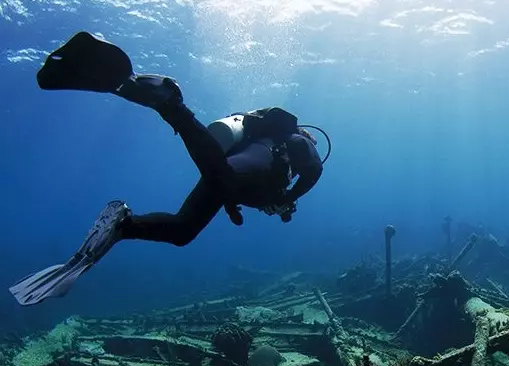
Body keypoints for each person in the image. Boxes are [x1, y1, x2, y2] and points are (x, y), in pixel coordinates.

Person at [9, 31, 328, 306]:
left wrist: (234, 205)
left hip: (226, 176)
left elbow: (239, 186)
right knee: (222, 177)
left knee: (182, 231)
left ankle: (124, 226)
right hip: (230, 172)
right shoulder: (297, 142)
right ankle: (170, 103)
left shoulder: (270, 157)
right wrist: (288, 196)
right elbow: (314, 171)